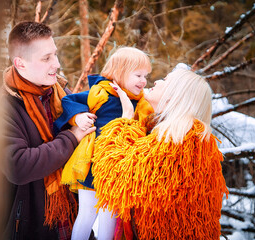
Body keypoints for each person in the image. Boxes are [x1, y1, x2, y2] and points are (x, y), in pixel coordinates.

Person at [91, 68, 229, 239]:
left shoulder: (182, 138)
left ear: (175, 96)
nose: (156, 81)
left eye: (165, 79)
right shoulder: (180, 135)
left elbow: (115, 177)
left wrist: (125, 120)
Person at [2, 21, 95, 240]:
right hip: (30, 226)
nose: (57, 63)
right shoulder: (3, 107)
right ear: (20, 64)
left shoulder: (62, 93)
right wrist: (72, 136)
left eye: (55, 54)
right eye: (46, 58)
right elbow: (18, 165)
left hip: (74, 217)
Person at [54, 47, 153, 240]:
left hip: (117, 169)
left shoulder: (140, 103)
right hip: (91, 164)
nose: (143, 81)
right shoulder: (101, 93)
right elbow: (69, 101)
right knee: (87, 214)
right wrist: (79, 117)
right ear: (120, 73)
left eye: (146, 76)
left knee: (110, 216)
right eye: (138, 75)